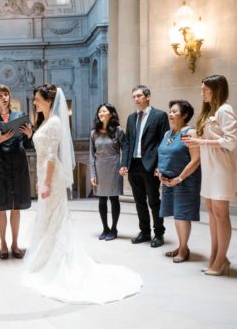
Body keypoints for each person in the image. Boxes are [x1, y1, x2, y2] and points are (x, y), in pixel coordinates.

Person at [22, 83, 142, 304]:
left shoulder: (56, 122)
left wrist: (46, 182)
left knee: (56, 217)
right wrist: (32, 136)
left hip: (52, 176)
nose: (35, 102)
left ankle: (59, 261)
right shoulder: (46, 121)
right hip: (44, 173)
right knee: (48, 218)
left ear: (49, 100)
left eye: (37, 98)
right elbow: (42, 148)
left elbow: (50, 156)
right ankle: (46, 257)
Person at [183, 75, 237, 276]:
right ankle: (215, 256)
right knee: (212, 212)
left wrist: (201, 143)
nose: (202, 92)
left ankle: (221, 259)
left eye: (205, 89)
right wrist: (193, 139)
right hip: (209, 167)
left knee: (221, 214)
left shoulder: (225, 110)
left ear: (216, 89)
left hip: (221, 168)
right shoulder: (208, 112)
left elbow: (231, 141)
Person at [0, 84, 33, 259]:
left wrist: (29, 136)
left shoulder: (19, 116)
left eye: (6, 95)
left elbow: (28, 146)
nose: (5, 98)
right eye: (0, 96)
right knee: (1, 207)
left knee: (16, 206)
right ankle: (3, 243)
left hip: (18, 164)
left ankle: (15, 244)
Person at [119, 85, 169, 248]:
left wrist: (160, 166)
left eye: (139, 96)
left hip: (151, 165)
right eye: (134, 97)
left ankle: (159, 233)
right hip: (134, 165)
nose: (136, 99)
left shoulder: (160, 116)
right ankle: (145, 232)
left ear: (148, 97)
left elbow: (164, 142)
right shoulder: (131, 118)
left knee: (154, 201)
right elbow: (127, 143)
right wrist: (124, 163)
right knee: (139, 201)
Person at [157, 100, 201, 263]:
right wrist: (160, 172)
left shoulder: (190, 133)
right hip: (168, 180)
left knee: (182, 215)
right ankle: (182, 245)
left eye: (175, 111)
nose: (171, 114)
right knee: (176, 215)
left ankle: (183, 250)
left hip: (185, 180)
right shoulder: (167, 134)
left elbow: (196, 160)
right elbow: (163, 155)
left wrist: (179, 178)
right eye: (170, 111)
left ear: (185, 115)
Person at [89, 103, 125, 241]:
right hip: (99, 167)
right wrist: (92, 174)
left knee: (114, 198)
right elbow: (91, 154)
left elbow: (125, 149)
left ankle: (114, 228)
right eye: (99, 112)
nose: (101, 113)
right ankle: (105, 228)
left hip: (114, 167)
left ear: (111, 113)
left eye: (104, 111)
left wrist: (123, 166)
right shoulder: (93, 132)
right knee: (102, 199)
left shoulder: (118, 130)